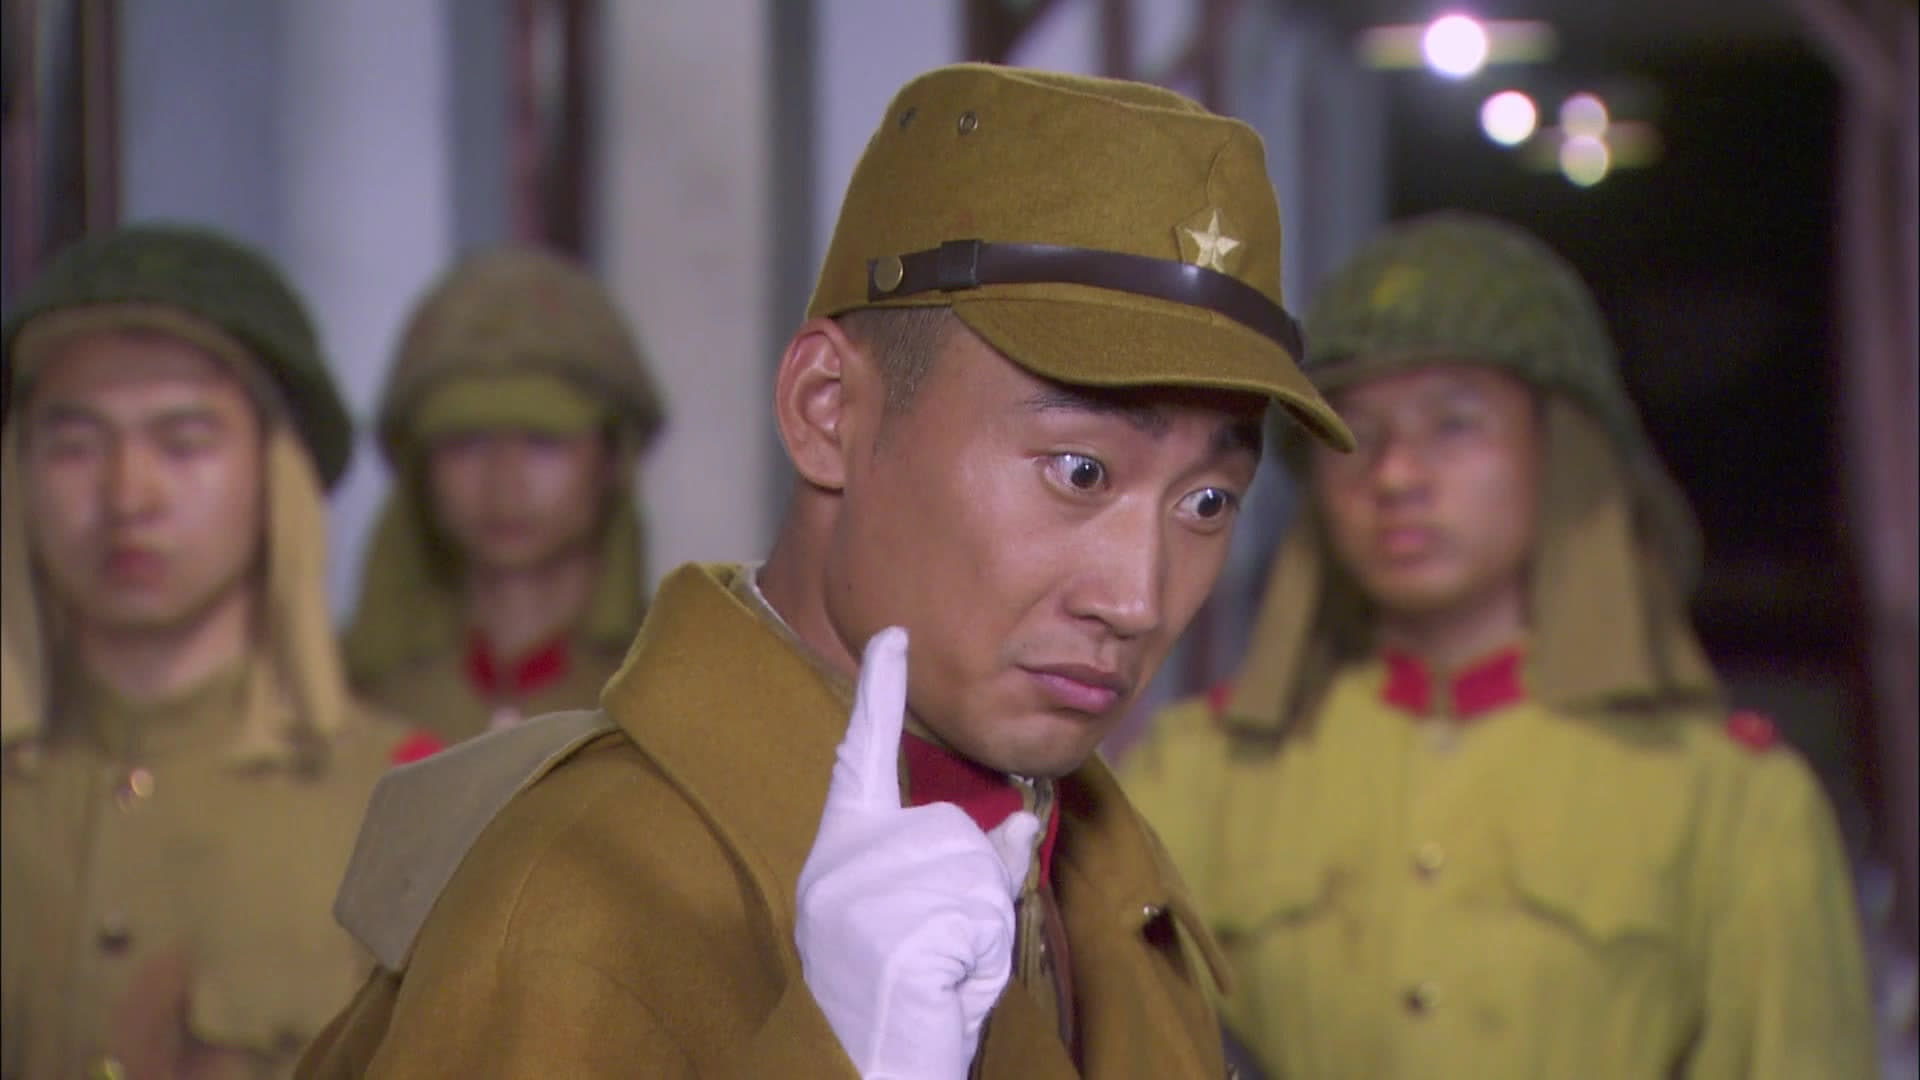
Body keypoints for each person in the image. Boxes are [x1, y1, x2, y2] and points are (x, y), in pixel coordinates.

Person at [294, 63, 1354, 1078]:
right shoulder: (581, 906)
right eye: (1079, 471)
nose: (1137, 598)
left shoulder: (1089, 866)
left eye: (1207, 503)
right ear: (828, 410)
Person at [1120, 212, 1879, 1078]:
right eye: (1352, 434)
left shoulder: (1734, 805)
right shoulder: (1194, 776)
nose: (1395, 475)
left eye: (1454, 424)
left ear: (1561, 453)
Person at [0, 224, 438, 1079]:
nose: (128, 495)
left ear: (277, 475)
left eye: (184, 442)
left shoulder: (409, 809)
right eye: (75, 446)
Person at [341, 249, 665, 742]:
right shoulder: (335, 700)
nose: (504, 482)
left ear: (611, 459)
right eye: (465, 441)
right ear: (420, 468)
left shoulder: (677, 692)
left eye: (543, 441)